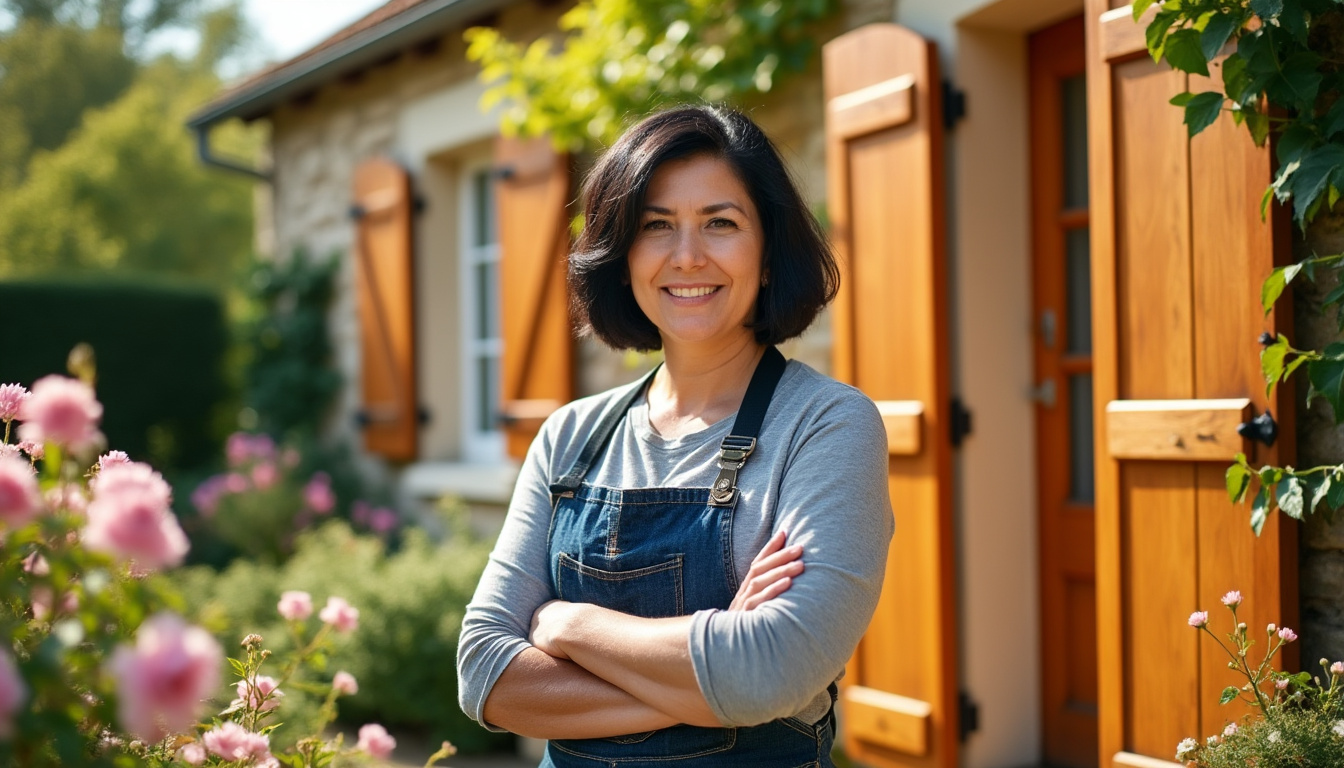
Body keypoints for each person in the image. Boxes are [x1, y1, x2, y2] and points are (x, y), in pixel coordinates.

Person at [457, 105, 894, 767]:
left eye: (721, 223)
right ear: (623, 258)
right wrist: (718, 681)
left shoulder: (827, 425)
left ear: (768, 254)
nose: (687, 256)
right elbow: (485, 675)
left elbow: (774, 669)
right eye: (656, 226)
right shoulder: (569, 436)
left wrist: (567, 625)